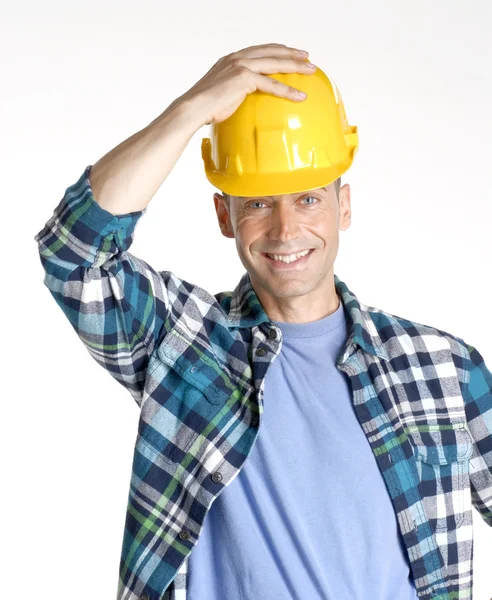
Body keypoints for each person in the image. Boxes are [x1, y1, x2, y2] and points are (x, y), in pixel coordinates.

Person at [34, 42, 492, 600]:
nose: (284, 230)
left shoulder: (442, 368)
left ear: (343, 206)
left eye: (307, 200)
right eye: (255, 203)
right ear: (224, 215)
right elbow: (73, 253)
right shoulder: (186, 346)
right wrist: (191, 110)